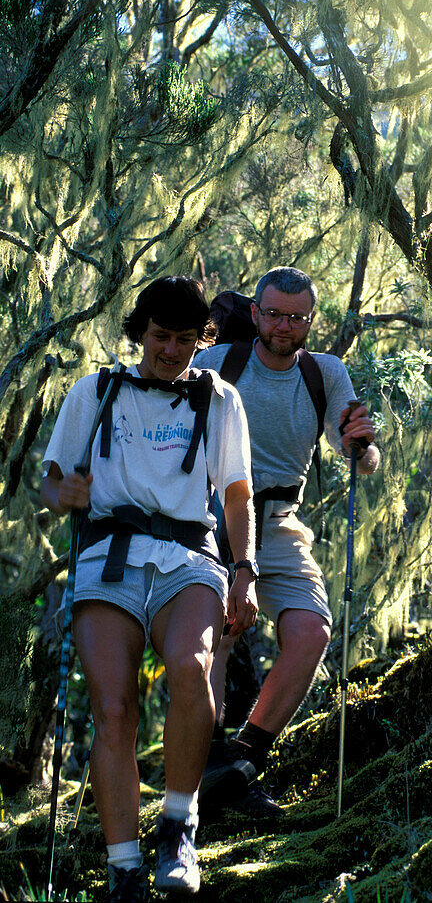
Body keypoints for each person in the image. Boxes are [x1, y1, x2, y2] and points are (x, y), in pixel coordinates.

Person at [41, 277, 257, 903]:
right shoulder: (96, 392)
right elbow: (51, 483)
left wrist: (245, 569)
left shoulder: (218, 399)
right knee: (114, 708)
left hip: (189, 558)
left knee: (192, 670)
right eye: (161, 337)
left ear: (201, 341)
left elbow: (237, 491)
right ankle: (123, 868)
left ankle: (178, 826)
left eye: (186, 340)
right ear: (140, 333)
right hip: (109, 562)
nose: (172, 351)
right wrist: (66, 496)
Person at [194, 266, 379, 815]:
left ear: (310, 321)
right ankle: (200, 762)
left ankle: (242, 760)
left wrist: (361, 444)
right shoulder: (215, 364)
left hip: (278, 522)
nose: (284, 326)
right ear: (255, 314)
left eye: (297, 318)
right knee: (217, 638)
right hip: (211, 519)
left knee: (312, 631)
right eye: (273, 314)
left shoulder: (325, 374)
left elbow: (361, 458)